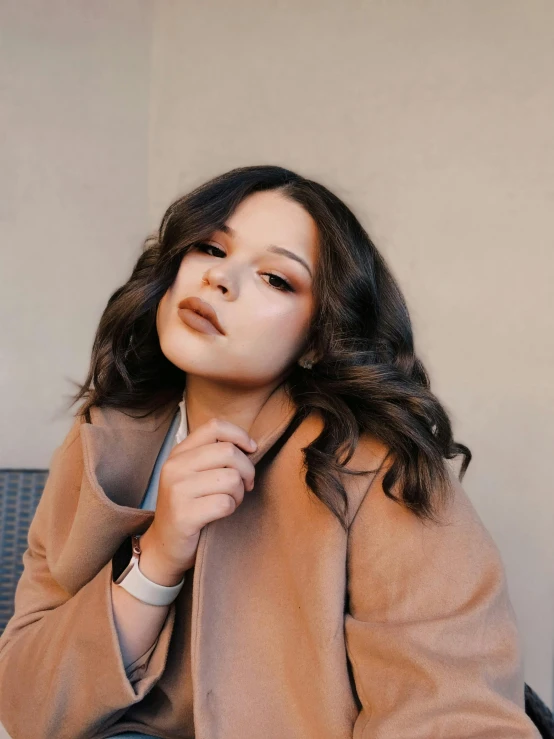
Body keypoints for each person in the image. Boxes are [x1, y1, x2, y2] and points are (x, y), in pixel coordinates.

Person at [0, 165, 540, 738]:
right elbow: (23, 705)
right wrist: (157, 558)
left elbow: (452, 714)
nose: (221, 280)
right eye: (211, 247)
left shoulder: (379, 471)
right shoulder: (102, 442)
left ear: (316, 339)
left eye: (277, 279)